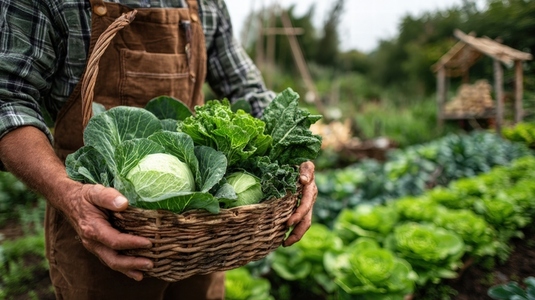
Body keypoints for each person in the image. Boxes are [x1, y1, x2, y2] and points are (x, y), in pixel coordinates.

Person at [0, 0, 318, 299]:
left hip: (203, 239)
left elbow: (246, 88)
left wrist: (293, 155)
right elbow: (8, 101)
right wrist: (68, 194)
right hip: (101, 235)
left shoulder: (206, 3)